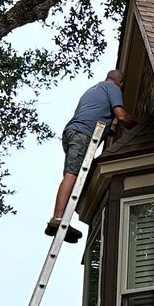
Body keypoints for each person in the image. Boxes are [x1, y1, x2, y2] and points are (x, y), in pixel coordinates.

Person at [48, 70, 134, 242]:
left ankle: (60, 218)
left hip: (72, 132)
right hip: (83, 134)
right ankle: (57, 220)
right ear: (121, 84)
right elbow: (121, 116)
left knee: (77, 174)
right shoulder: (113, 88)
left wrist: (110, 129)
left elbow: (95, 115)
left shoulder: (93, 90)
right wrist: (135, 123)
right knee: (72, 174)